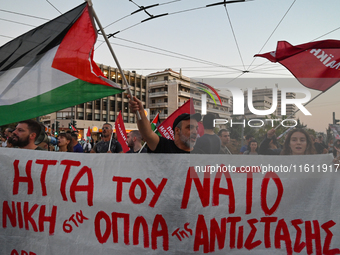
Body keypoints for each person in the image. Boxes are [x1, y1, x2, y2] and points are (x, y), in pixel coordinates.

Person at [129, 96, 201, 153]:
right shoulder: (164, 146)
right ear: (177, 130)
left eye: (196, 128)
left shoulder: (201, 155)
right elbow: (147, 134)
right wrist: (140, 112)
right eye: (190, 127)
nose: (195, 132)